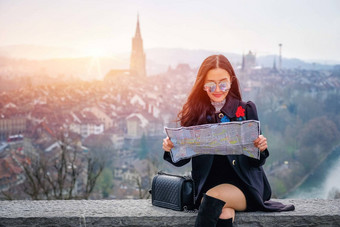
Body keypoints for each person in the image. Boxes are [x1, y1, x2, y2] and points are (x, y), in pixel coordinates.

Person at [162, 55, 294, 227]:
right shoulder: (195, 114)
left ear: (231, 82)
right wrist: (170, 147)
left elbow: (256, 163)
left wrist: (260, 148)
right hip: (209, 188)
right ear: (202, 84)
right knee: (222, 211)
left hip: (244, 186)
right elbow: (183, 159)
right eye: (211, 84)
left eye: (223, 83)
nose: (217, 89)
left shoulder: (245, 109)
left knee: (214, 198)